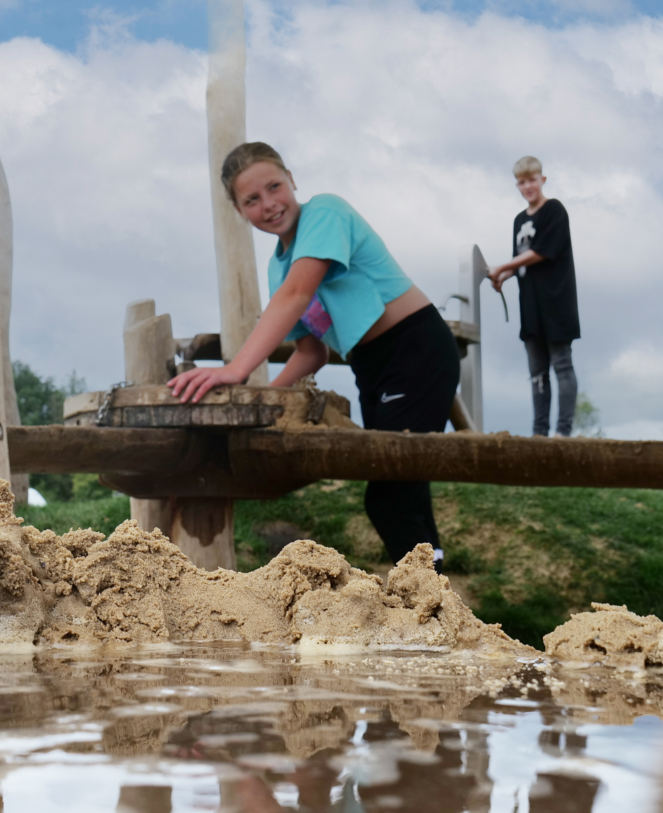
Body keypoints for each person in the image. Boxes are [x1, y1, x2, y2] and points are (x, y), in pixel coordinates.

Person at [169, 142, 460, 567]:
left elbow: (297, 293)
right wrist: (265, 397)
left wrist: (235, 370)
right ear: (239, 210)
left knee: (389, 494)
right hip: (371, 367)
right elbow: (312, 351)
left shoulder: (325, 212)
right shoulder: (278, 266)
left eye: (274, 187)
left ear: (292, 181)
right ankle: (437, 591)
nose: (269, 204)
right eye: (252, 199)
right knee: (405, 487)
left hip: (414, 349)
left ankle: (426, 603)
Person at [488, 156, 579, 437]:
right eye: (522, 182)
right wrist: (506, 275)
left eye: (532, 180)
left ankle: (563, 431)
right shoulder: (519, 220)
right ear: (517, 185)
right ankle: (539, 433)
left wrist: (503, 266)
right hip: (530, 306)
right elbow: (522, 259)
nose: (527, 186)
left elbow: (542, 251)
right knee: (537, 373)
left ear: (542, 180)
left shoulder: (554, 210)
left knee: (561, 365)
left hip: (556, 301)